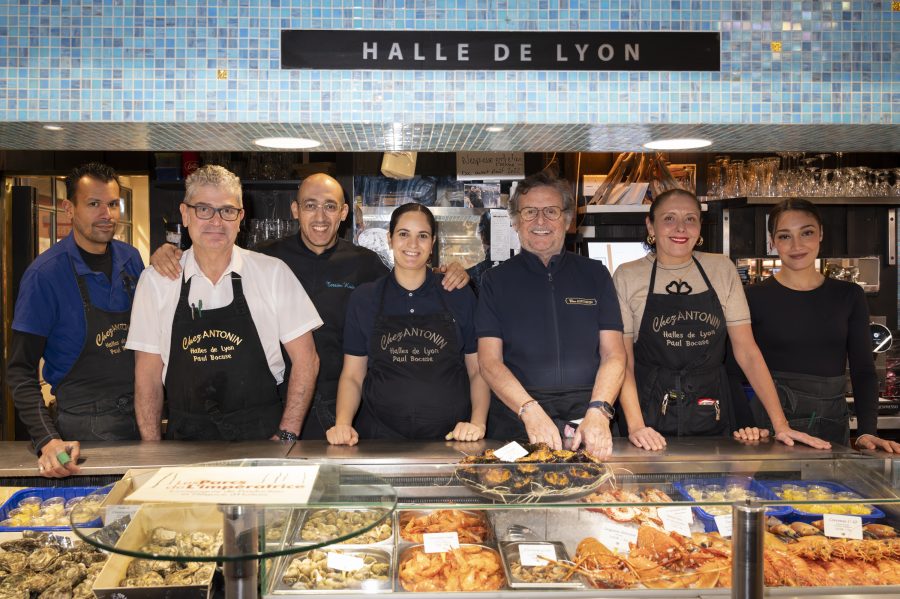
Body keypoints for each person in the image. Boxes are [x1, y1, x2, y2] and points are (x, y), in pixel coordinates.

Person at [149, 173, 470, 439]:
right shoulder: (265, 259)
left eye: (330, 207)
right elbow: (213, 252)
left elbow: (410, 288)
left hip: (345, 408)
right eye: (310, 206)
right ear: (294, 209)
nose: (320, 217)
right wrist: (173, 252)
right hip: (280, 403)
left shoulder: (366, 264)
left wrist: (447, 271)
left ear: (344, 213)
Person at [613, 189, 831, 450]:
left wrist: (780, 424)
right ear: (651, 224)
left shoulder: (721, 269)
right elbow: (623, 360)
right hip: (648, 410)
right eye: (669, 218)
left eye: (690, 219)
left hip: (712, 407)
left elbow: (747, 351)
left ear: (700, 226)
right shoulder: (628, 275)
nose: (680, 228)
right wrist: (637, 425)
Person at [127, 165, 322, 441]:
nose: (216, 222)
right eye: (204, 209)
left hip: (261, 438)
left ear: (241, 217)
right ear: (185, 214)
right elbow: (146, 376)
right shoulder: (156, 281)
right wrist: (152, 449)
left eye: (228, 211)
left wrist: (288, 432)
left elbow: (307, 360)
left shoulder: (273, 273)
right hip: (185, 441)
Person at [475, 172, 626, 458]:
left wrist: (600, 410)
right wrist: (529, 410)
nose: (540, 221)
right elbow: (489, 362)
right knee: (515, 498)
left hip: (590, 420)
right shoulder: (495, 281)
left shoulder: (596, 275)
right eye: (530, 212)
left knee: (598, 500)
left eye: (551, 212)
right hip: (517, 418)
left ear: (567, 220)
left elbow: (614, 355)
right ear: (516, 221)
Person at [8, 163, 144, 478]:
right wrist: (46, 438)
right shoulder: (45, 275)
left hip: (142, 418)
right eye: (93, 204)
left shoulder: (131, 259)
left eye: (112, 204)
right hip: (84, 428)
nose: (106, 214)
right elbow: (19, 370)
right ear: (69, 208)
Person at [737, 198, 899, 451]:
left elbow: (863, 370)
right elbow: (732, 370)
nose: (797, 245)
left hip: (832, 423)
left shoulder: (849, 295)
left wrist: (867, 431)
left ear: (821, 233)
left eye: (807, 233)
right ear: (772, 242)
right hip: (770, 427)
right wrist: (747, 424)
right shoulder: (752, 296)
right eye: (785, 236)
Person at [325, 203, 488, 445]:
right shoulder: (365, 298)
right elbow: (352, 375)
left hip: (452, 437)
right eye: (403, 234)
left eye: (422, 236)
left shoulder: (458, 294)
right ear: (390, 239)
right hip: (379, 439)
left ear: (432, 243)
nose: (413, 245)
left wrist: (477, 423)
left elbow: (478, 370)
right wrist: (343, 424)